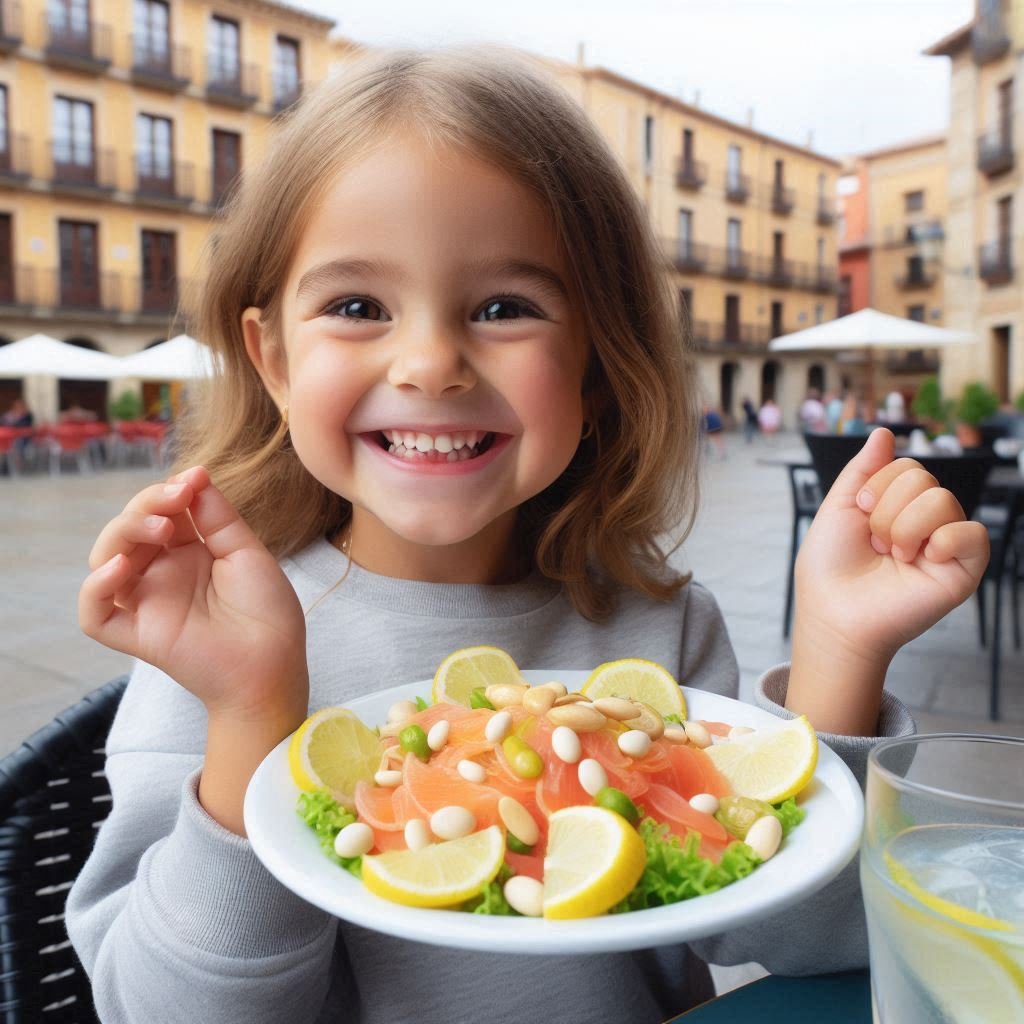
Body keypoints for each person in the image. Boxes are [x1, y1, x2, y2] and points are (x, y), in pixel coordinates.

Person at [67, 47, 990, 1024]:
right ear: (274, 359)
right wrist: (251, 719)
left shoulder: (661, 629)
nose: (429, 362)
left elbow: (820, 942)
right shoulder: (212, 653)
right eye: (356, 306)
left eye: (503, 307)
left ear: (594, 361)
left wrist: (837, 651)